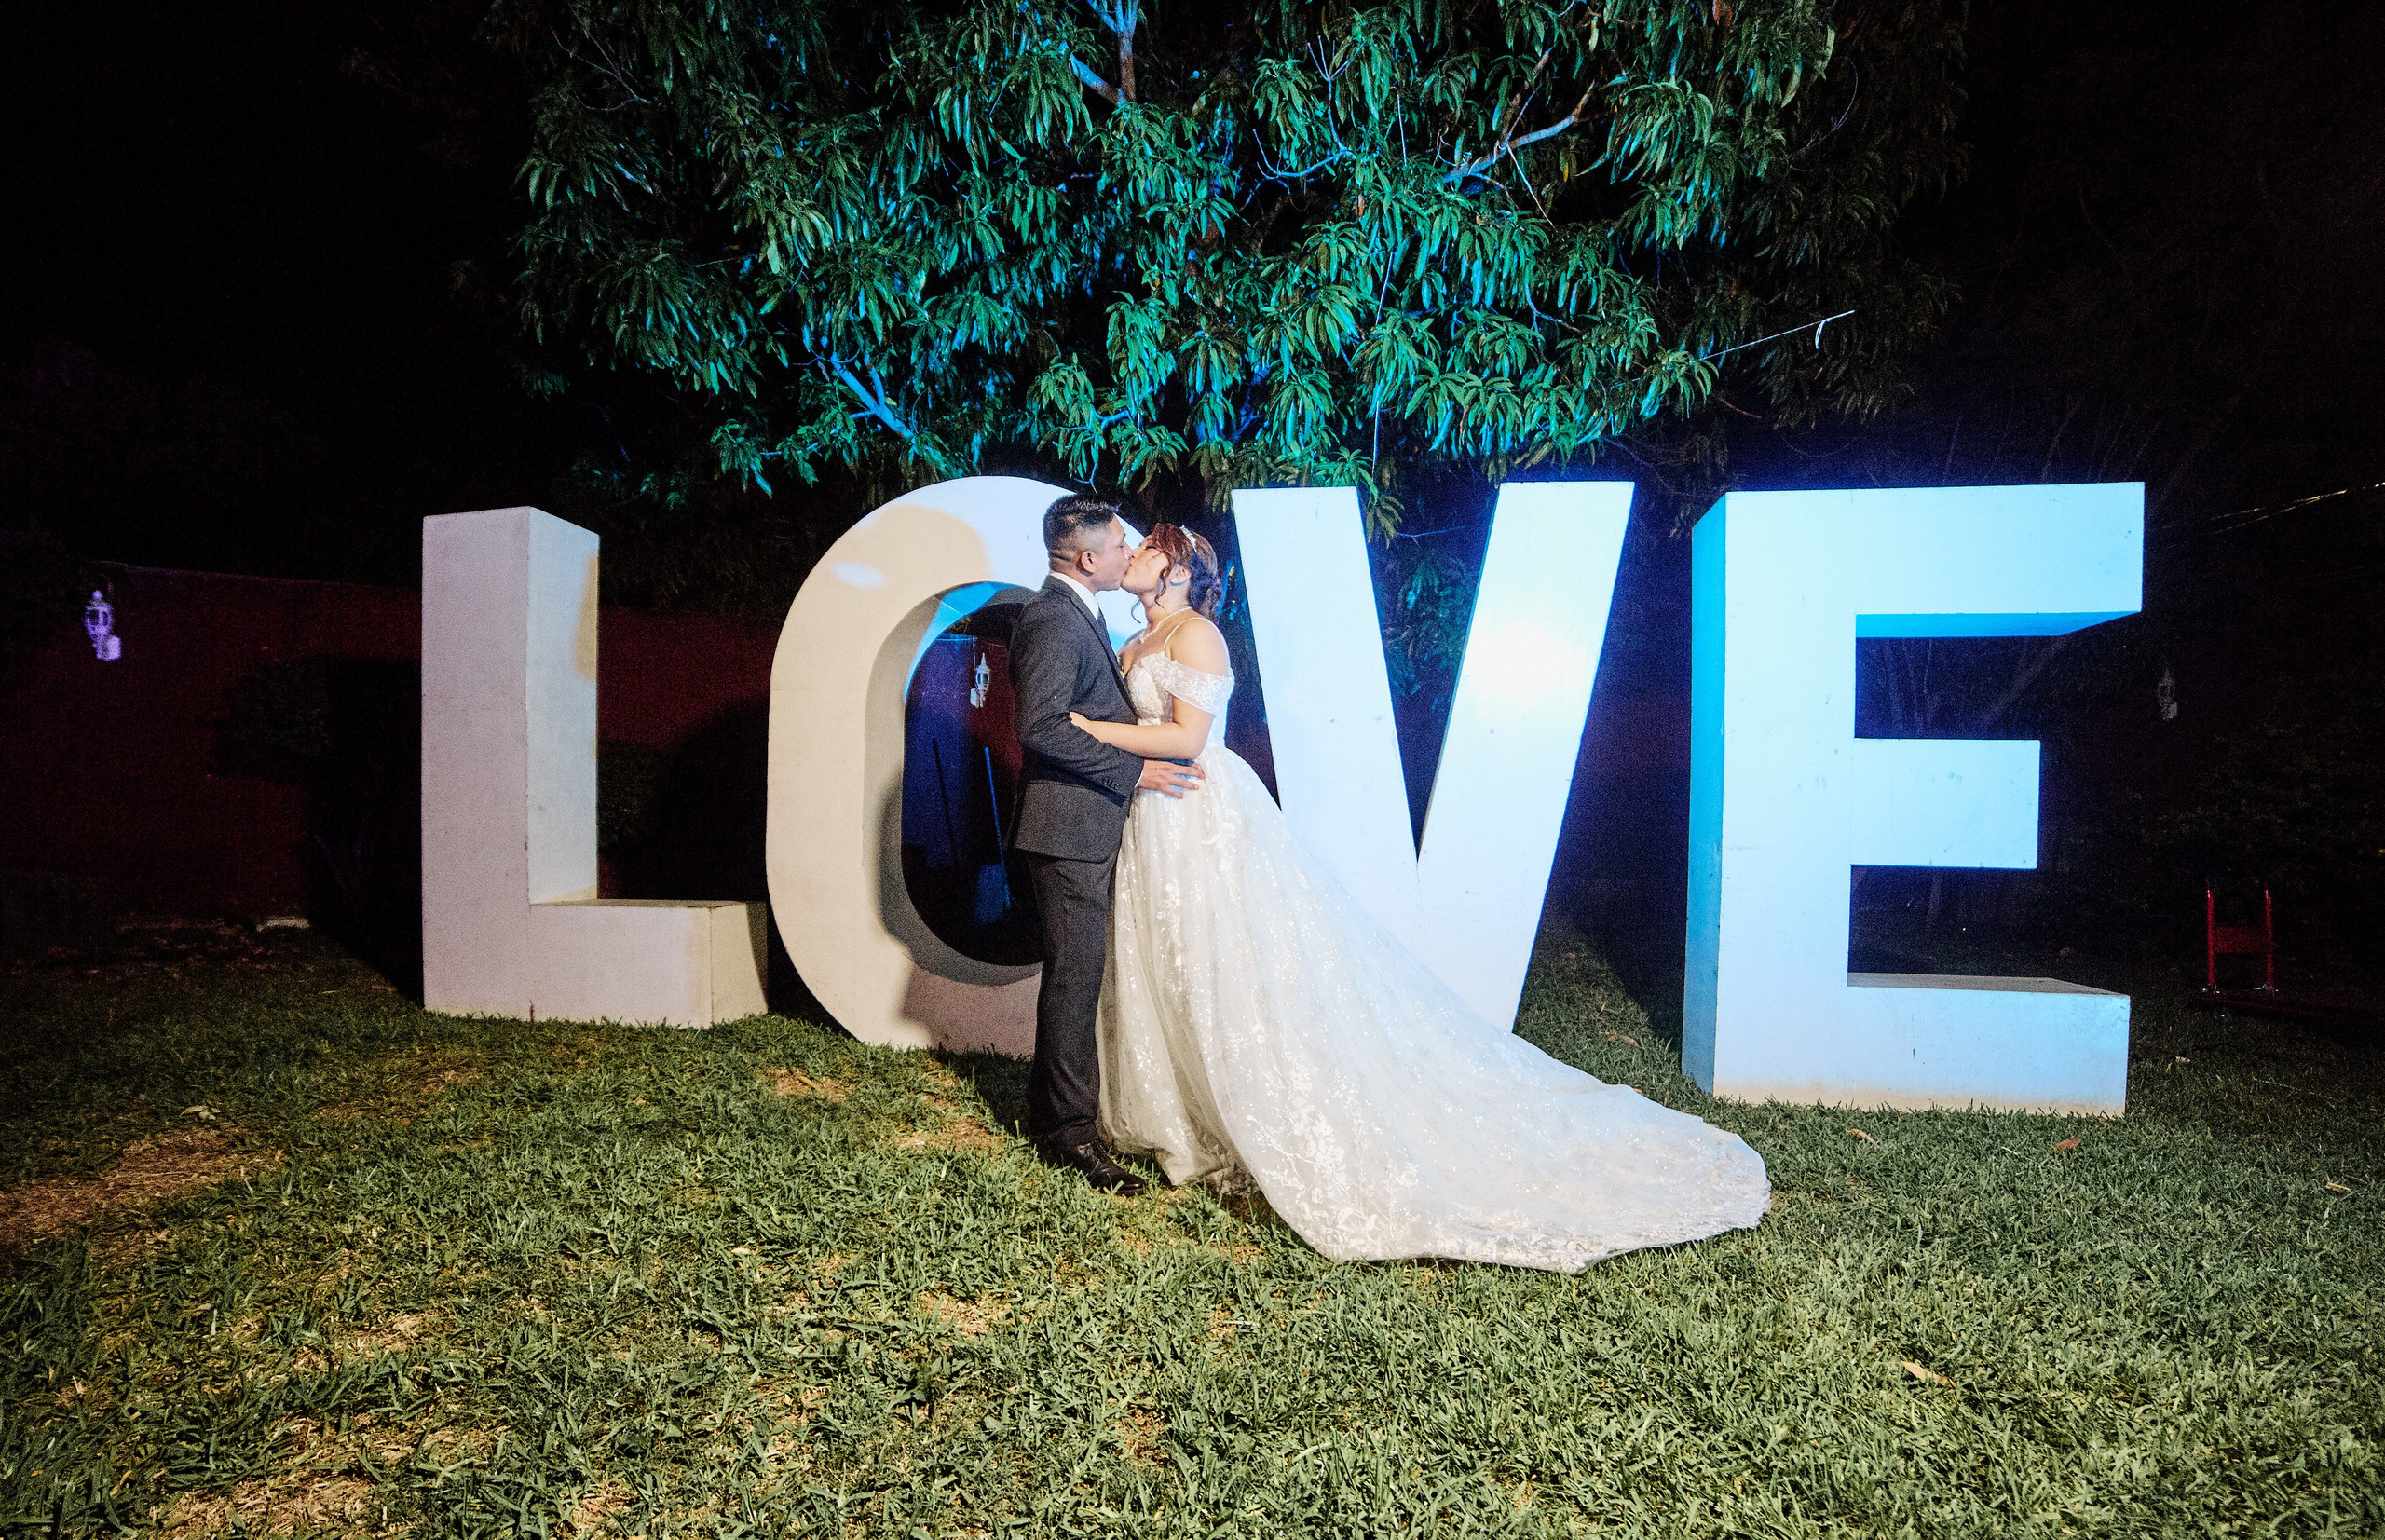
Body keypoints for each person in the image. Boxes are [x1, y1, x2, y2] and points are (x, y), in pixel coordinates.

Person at [1069, 522, 1771, 1273]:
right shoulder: (1133, 642)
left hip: (1200, 817)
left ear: (1176, 570)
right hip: (1151, 820)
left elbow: (1185, 739)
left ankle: (1248, 1118)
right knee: (1164, 961)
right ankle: (1181, 1116)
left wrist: (1086, 728)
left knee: (1217, 963)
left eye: (1146, 549)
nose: (1133, 553)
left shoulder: (1197, 636)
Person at [1007, 497, 1204, 1197]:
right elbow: (1042, 726)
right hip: (1065, 830)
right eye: (1120, 543)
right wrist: (1134, 769)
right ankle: (1069, 1134)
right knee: (1073, 979)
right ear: (1088, 558)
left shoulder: (1082, 615)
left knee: (1079, 976)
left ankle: (1055, 1114)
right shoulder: (1052, 619)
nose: (1128, 552)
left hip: (1086, 827)